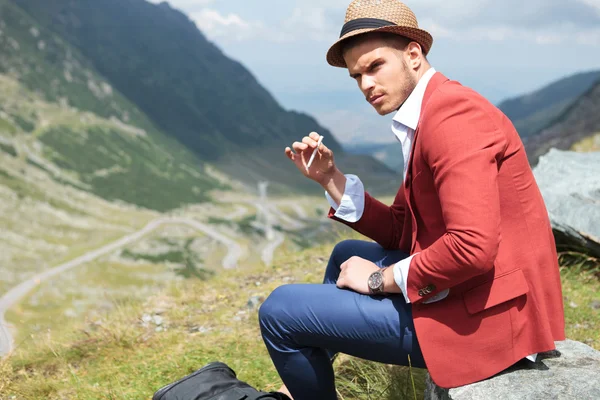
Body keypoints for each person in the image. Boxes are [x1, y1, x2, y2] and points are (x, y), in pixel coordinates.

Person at [258, 1, 565, 399]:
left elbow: (472, 248)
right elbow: (403, 230)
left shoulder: (454, 117)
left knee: (280, 312)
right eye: (356, 76)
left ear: (413, 55)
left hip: (489, 319)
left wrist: (377, 281)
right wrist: (330, 180)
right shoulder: (429, 113)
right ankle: (304, 369)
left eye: (374, 67)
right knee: (343, 254)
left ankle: (300, 361)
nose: (365, 85)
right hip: (472, 293)